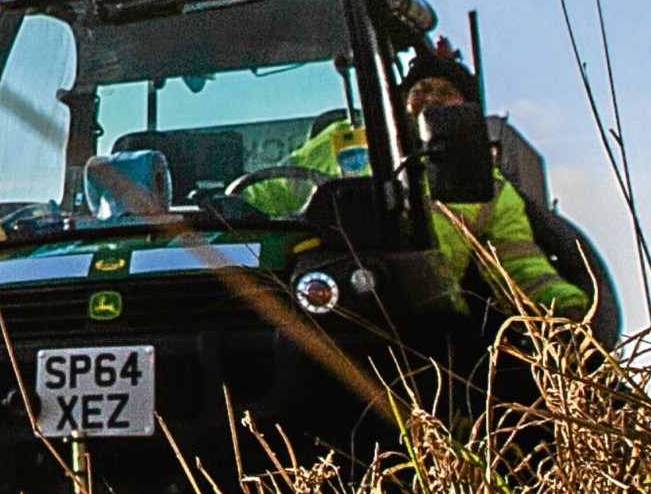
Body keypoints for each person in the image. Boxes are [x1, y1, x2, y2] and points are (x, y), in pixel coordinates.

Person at [243, 56, 590, 314]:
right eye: (421, 89)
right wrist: (235, 208)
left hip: (425, 318)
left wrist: (567, 310)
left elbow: (516, 263)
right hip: (322, 300)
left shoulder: (489, 186)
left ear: (466, 111)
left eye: (446, 92)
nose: (432, 98)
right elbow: (274, 189)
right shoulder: (346, 141)